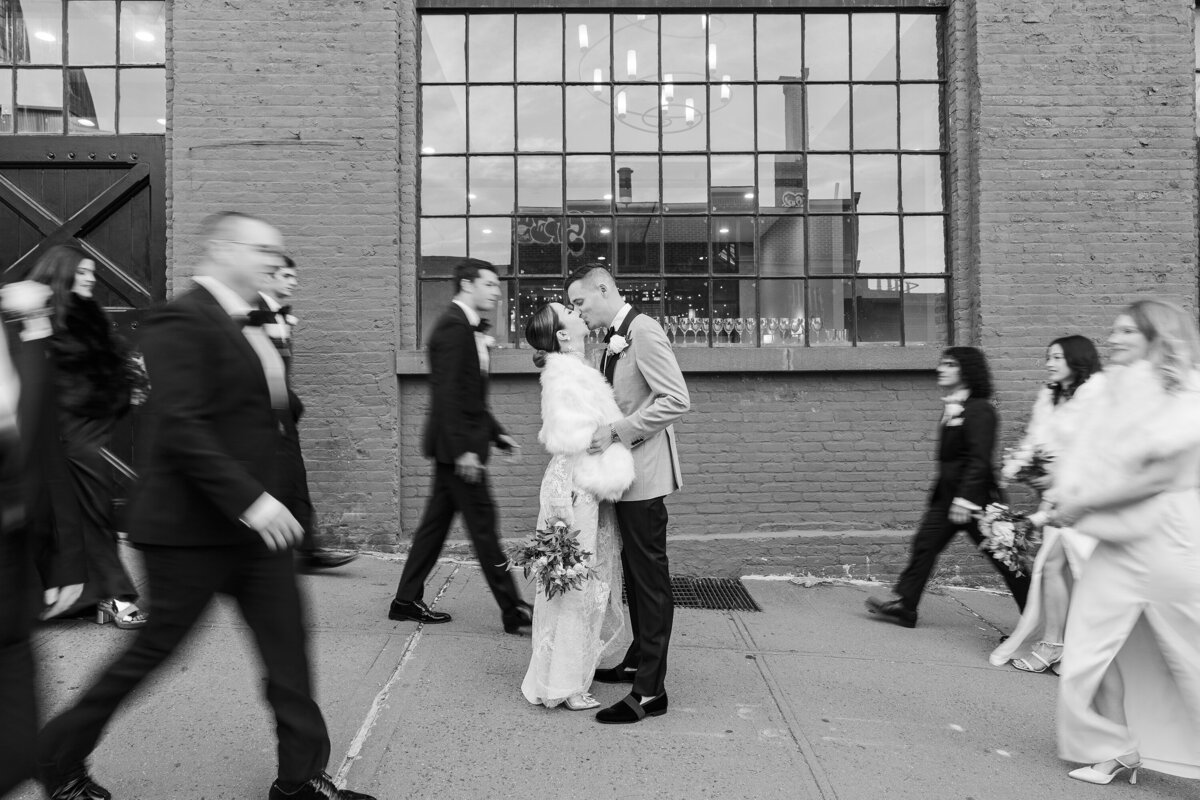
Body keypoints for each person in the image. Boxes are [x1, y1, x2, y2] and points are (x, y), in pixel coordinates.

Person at [36, 212, 376, 800]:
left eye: (279, 247)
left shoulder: (257, 320)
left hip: (257, 535)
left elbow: (271, 414)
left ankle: (298, 781)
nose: (275, 257)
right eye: (262, 247)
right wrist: (254, 501)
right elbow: (180, 427)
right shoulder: (178, 320)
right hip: (187, 531)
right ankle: (58, 757)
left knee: (289, 654)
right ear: (222, 249)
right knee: (151, 653)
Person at [1049, 299, 1200, 785]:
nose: (1112, 339)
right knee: (1088, 647)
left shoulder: (1187, 399)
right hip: (1118, 539)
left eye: (1127, 333)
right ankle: (1116, 749)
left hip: (1168, 540)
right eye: (1113, 330)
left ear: (1158, 340)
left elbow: (1157, 479)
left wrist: (1081, 505)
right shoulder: (1115, 394)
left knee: (1189, 652)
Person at [565, 265, 691, 725]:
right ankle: (638, 660)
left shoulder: (644, 331)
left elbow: (676, 399)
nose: (579, 311)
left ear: (604, 289)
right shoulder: (615, 337)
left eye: (581, 302)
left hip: (646, 479)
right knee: (637, 579)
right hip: (625, 477)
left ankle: (651, 692)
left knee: (651, 583)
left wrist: (617, 432)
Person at [389, 258, 531, 634]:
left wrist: (496, 434)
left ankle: (405, 600)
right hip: (459, 452)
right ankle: (513, 608)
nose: (497, 291)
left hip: (456, 447)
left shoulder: (465, 329)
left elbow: (470, 395)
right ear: (468, 285)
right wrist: (467, 449)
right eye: (489, 284)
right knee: (484, 528)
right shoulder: (453, 328)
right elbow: (448, 396)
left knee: (434, 528)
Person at [27, 245, 147, 629]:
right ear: (61, 274)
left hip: (85, 430)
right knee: (77, 516)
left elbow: (108, 366)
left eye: (92, 272)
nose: (91, 280)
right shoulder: (36, 317)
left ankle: (83, 597)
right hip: (54, 434)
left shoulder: (88, 317)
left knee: (88, 513)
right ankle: (115, 596)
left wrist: (128, 376)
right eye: (82, 273)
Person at [866, 347, 1030, 628]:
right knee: (924, 545)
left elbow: (979, 461)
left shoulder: (981, 410)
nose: (941, 368)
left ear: (966, 371)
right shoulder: (955, 408)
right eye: (942, 363)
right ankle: (906, 607)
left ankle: (1037, 623)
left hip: (978, 504)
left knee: (1007, 562)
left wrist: (964, 501)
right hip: (947, 501)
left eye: (950, 364)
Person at [520, 302, 632, 711]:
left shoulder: (576, 366)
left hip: (579, 483)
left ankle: (564, 675)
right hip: (575, 487)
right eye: (566, 309)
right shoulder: (565, 374)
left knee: (581, 579)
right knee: (575, 583)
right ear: (563, 334)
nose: (574, 309)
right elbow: (571, 438)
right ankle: (565, 684)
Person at [0, 280, 86, 797]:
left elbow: (45, 458)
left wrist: (68, 559)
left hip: (8, 574)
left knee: (16, 744)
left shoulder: (21, 343)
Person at [990, 336, 1104, 674]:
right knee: (1061, 570)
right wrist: (1018, 469)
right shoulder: (1050, 398)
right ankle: (1065, 646)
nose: (1049, 363)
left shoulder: (1098, 396)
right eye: (1047, 357)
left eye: (1056, 357)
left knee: (1061, 568)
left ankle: (1057, 644)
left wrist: (1055, 487)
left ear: (1077, 359)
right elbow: (1037, 441)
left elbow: (1093, 452)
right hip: (1057, 496)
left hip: (1085, 497)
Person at [257, 256, 357, 573]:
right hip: (263, 418)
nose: (293, 281)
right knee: (272, 482)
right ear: (268, 277)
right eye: (286, 276)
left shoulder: (279, 316)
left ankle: (307, 549)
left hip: (281, 415)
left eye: (294, 276)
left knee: (295, 481)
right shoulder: (255, 315)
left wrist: (289, 405)